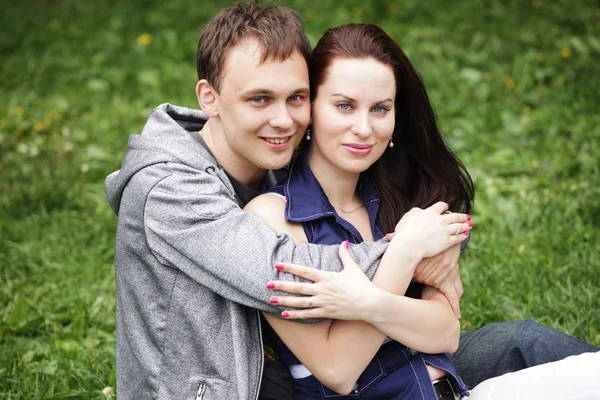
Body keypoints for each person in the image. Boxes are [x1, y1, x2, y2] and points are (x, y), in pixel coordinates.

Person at [104, 3, 598, 399]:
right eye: (259, 99)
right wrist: (408, 250)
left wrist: (388, 283)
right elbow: (284, 273)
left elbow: (446, 332)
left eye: (296, 98)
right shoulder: (169, 191)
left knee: (526, 343)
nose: (283, 121)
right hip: (229, 387)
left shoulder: (285, 156)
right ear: (210, 98)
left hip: (401, 372)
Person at [245, 23, 600, 400]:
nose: (364, 128)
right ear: (310, 108)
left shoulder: (401, 200)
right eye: (344, 106)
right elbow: (337, 369)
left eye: (380, 108)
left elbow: (445, 333)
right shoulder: (271, 220)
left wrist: (367, 303)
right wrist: (404, 252)